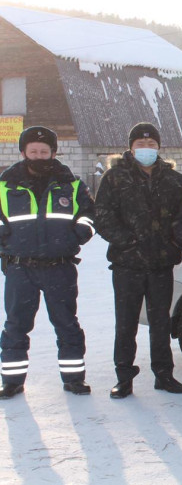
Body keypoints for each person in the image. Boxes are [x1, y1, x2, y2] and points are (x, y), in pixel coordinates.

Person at [95, 122, 182, 399]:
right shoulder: (115, 178)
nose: (146, 149)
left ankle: (164, 374)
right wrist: (127, 241)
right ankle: (124, 377)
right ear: (130, 148)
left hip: (162, 264)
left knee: (160, 323)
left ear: (159, 147)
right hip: (127, 265)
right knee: (126, 323)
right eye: (141, 144)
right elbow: (102, 216)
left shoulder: (175, 181)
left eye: (151, 144)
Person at [0, 127, 95, 399]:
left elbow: (88, 214)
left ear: (53, 153)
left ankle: (74, 378)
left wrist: (77, 235)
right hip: (20, 267)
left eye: (44, 152)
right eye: (33, 152)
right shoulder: (5, 185)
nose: (39, 156)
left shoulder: (72, 184)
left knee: (67, 323)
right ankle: (12, 381)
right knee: (16, 325)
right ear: (23, 153)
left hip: (60, 266)